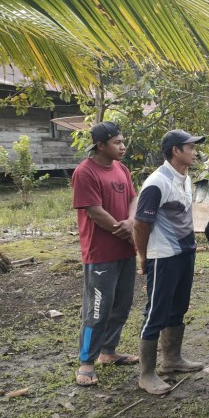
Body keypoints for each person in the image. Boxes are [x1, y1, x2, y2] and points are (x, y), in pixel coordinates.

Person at [133, 130, 207, 394]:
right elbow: (141, 224)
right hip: (163, 256)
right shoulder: (157, 183)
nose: (195, 151)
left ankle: (172, 359)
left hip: (185, 253)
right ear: (176, 150)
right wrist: (143, 256)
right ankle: (147, 374)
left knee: (179, 307)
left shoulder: (185, 178)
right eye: (191, 147)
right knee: (156, 312)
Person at [71, 122, 138, 387]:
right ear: (101, 145)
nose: (123, 147)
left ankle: (108, 352)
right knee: (97, 308)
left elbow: (133, 198)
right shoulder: (85, 172)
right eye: (117, 143)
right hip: (100, 254)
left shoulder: (121, 168)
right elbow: (93, 210)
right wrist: (120, 229)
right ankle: (86, 361)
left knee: (121, 304)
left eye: (123, 142)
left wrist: (131, 221)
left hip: (125, 249)